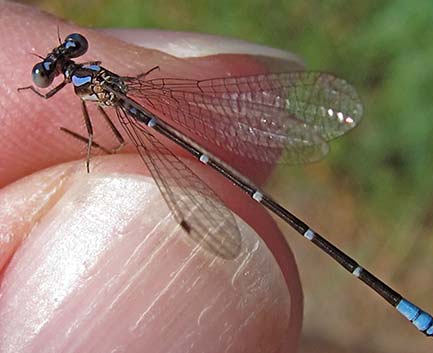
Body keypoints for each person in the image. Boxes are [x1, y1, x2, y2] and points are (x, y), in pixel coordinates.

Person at [0, 2, 302, 352]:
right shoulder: (91, 75)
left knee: (113, 144)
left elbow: (107, 134)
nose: (58, 63)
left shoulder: (81, 85)